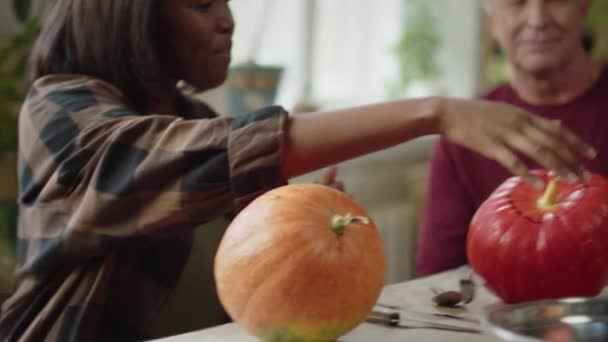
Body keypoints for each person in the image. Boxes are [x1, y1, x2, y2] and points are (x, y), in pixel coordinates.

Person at [0, 0, 596, 340]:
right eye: (202, 2)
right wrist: (431, 112)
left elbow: (258, 284)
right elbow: (171, 158)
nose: (227, 19)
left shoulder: (192, 116)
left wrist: (302, 223)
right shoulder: (58, 109)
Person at [416, 0, 608, 277]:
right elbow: (437, 279)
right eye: (516, 3)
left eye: (555, 1)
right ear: (491, 20)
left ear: (583, 7)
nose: (537, 20)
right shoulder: (465, 132)